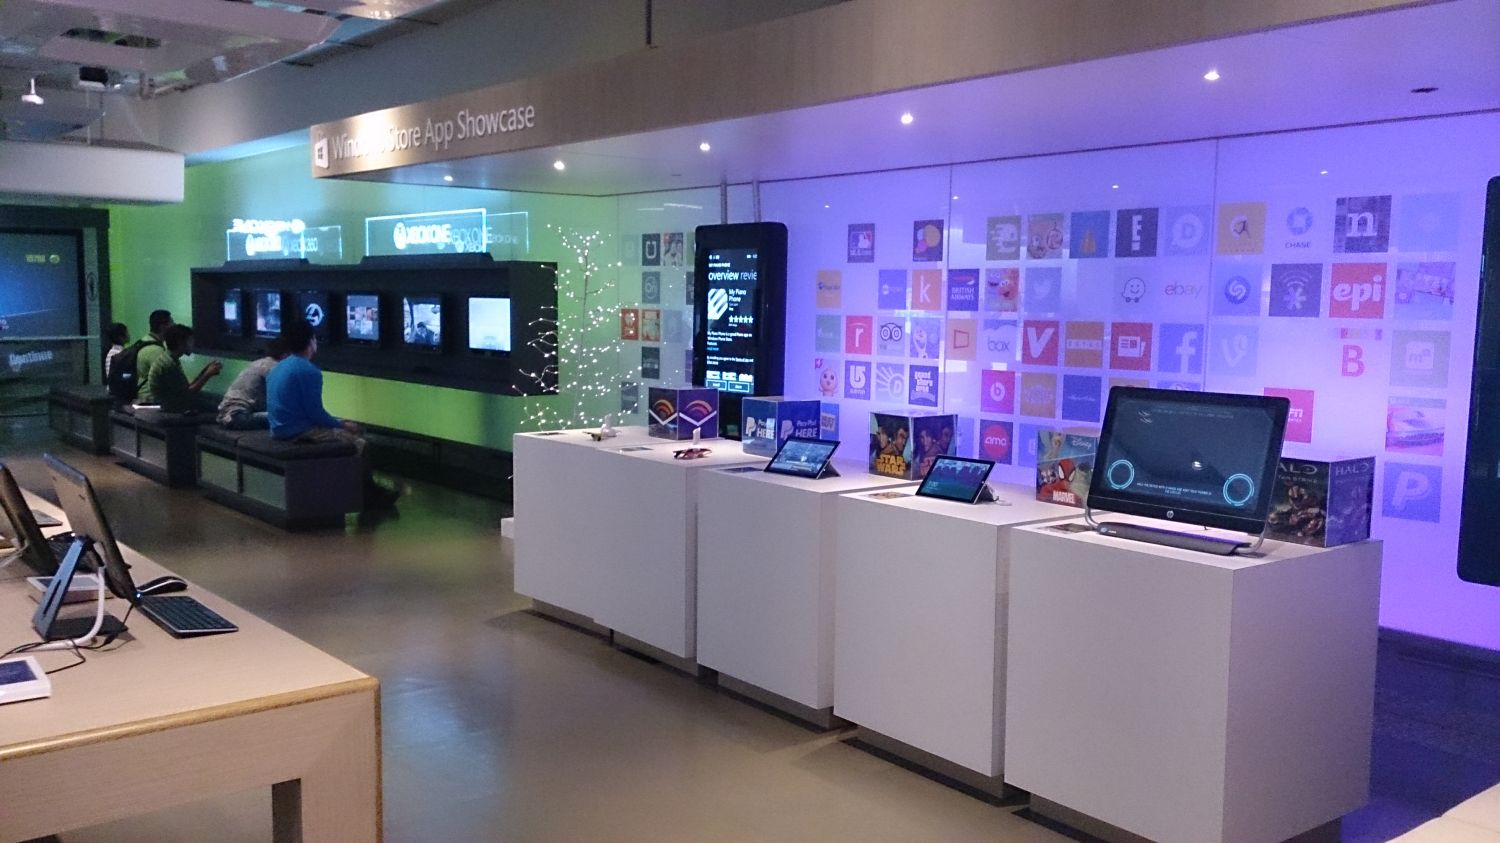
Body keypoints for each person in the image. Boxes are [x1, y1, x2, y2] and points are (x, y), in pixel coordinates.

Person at [268, 319, 399, 510]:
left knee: (346, 433)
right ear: (311, 341)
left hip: (278, 429)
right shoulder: (309, 371)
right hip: (298, 432)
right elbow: (316, 414)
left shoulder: (278, 367)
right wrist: (343, 424)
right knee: (359, 443)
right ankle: (368, 496)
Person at [136, 324, 223, 413]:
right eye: (190, 341)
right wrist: (207, 374)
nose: (192, 345)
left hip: (173, 401)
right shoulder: (169, 364)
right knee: (219, 407)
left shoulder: (168, 358)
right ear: (180, 343)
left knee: (217, 398)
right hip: (174, 406)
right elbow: (187, 394)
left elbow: (185, 388)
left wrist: (205, 371)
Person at [216, 339, 289, 430]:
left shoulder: (257, 363)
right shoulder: (274, 367)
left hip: (227, 415)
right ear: (285, 355)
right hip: (239, 417)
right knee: (287, 417)